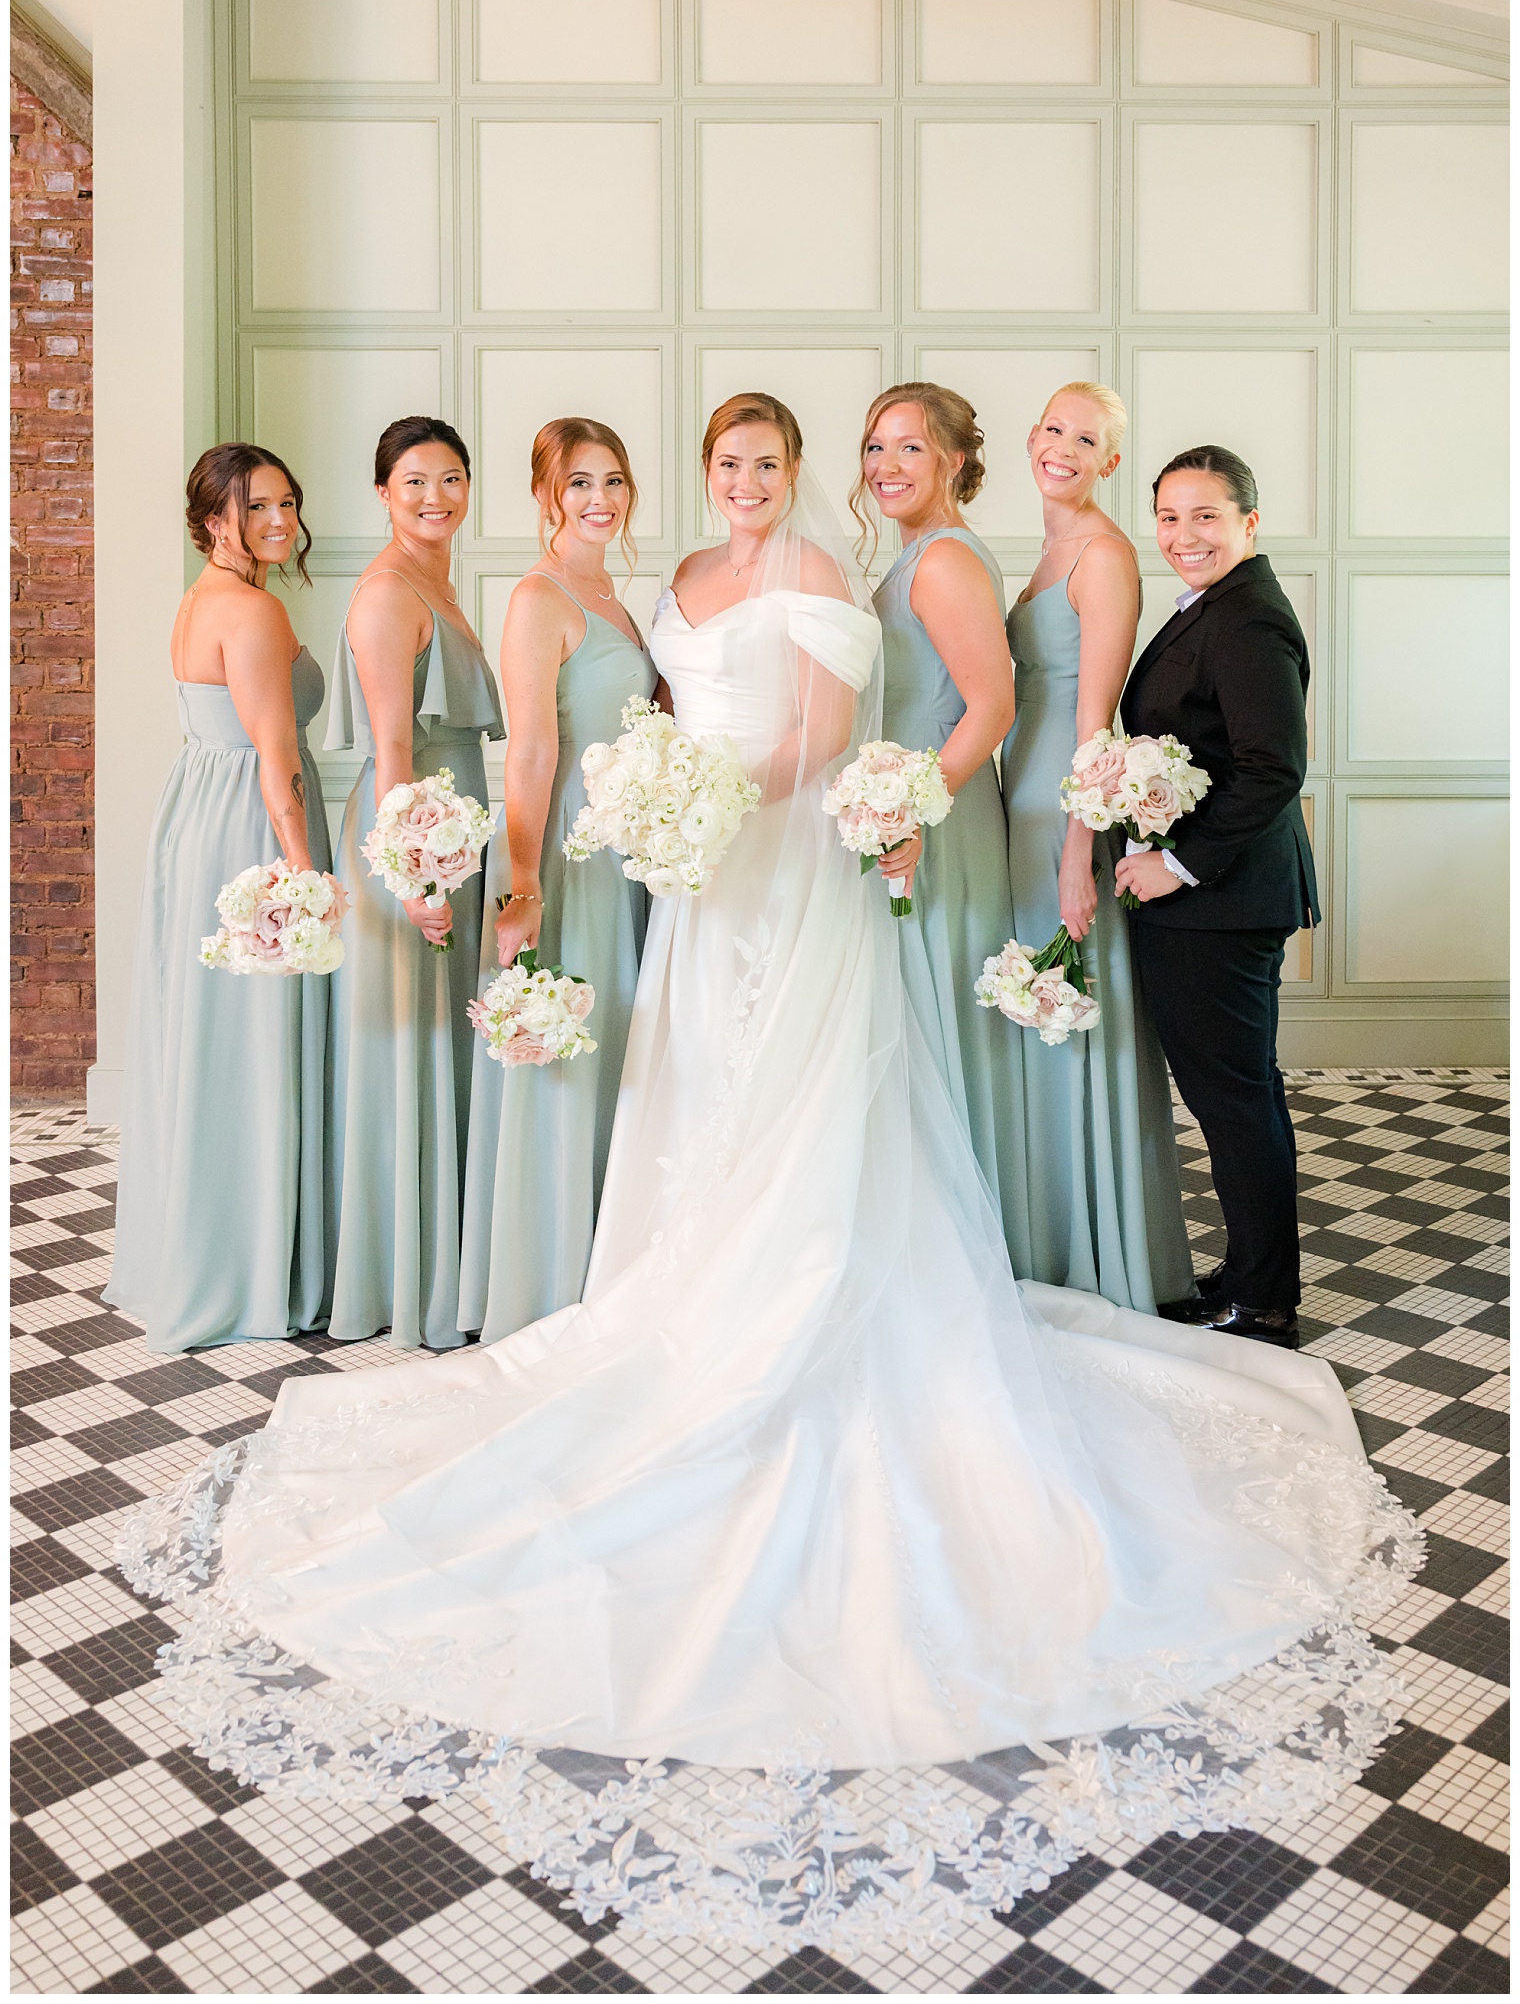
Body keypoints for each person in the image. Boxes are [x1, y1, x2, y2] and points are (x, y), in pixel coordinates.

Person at [126, 398, 1413, 1946]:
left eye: (772, 461)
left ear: (802, 475)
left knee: (819, 1100)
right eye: (724, 461)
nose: (746, 482)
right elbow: (632, 720)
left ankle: (820, 1289)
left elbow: (864, 722)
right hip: (699, 873)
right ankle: (689, 1287)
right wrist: (659, 811)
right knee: (701, 1099)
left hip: (793, 856)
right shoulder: (667, 573)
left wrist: (812, 796)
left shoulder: (834, 567)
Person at [108, 445, 336, 1353]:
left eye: (288, 503)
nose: (281, 522)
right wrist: (303, 876)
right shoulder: (250, 610)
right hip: (248, 818)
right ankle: (248, 1265)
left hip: (198, 812)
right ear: (214, 521)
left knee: (212, 1034)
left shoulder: (199, 601)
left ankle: (200, 1251)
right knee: (253, 1040)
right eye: (260, 509)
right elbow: (277, 760)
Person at [1116, 444, 1319, 1349]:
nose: (1184, 535)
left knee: (1234, 1100)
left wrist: (1179, 864)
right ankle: (1253, 1276)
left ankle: (1264, 1303)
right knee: (1241, 1095)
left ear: (1249, 520)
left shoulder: (1246, 621)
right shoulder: (1217, 606)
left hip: (1221, 903)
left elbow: (1274, 768)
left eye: (1205, 516)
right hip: (1220, 902)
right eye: (1169, 517)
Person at [458, 420, 656, 1342]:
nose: (600, 501)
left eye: (613, 481)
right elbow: (532, 746)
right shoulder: (539, 596)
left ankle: (615, 1257)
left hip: (627, 846)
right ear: (545, 495)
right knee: (570, 1051)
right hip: (566, 849)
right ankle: (549, 1274)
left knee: (622, 1046)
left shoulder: (610, 590)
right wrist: (523, 882)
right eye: (580, 484)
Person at [1002, 383, 1192, 1310]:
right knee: (1035, 1004)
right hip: (1023, 788)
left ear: (1110, 462)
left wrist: (1078, 851)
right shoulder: (1050, 551)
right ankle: (1040, 1229)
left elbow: (1094, 720)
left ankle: (1097, 1246)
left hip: (1064, 797)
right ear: (1030, 438)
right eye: (1055, 430)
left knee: (1072, 1003)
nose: (1066, 449)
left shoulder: (1107, 555)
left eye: (1089, 440)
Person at [323, 416, 503, 1351]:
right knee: (415, 1047)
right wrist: (412, 875)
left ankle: (454, 1264)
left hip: (452, 832)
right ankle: (412, 1280)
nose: (437, 498)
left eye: (453, 478)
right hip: (417, 838)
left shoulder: (439, 581)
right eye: (416, 482)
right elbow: (392, 747)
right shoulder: (391, 593)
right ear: (384, 493)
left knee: (448, 1042)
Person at [857, 382, 1024, 1245]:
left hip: (938, 818)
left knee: (936, 1023)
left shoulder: (946, 560)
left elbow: (990, 705)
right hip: (910, 811)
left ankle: (956, 1241)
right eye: (876, 447)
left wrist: (918, 811)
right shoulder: (918, 554)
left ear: (955, 461)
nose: (887, 465)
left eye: (910, 448)